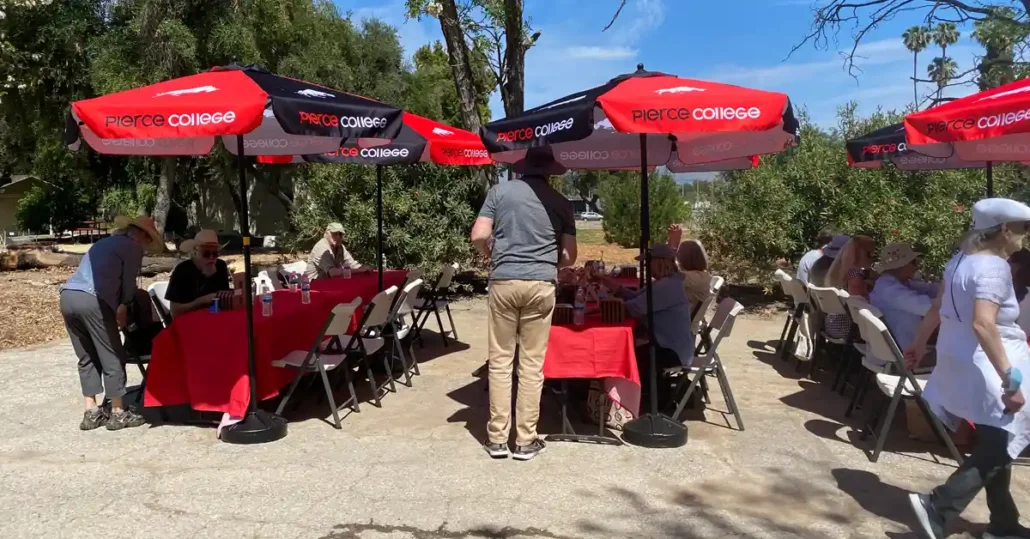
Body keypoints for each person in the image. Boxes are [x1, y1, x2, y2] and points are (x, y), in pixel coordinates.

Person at [906, 198, 1030, 539]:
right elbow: (984, 324)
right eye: (1023, 229)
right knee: (998, 443)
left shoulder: (958, 261)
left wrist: (918, 344)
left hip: (961, 359)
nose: (1024, 237)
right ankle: (939, 506)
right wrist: (1011, 379)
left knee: (997, 440)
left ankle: (1004, 524)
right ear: (1005, 230)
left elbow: (937, 307)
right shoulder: (995, 268)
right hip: (991, 364)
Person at [470, 147, 577, 461]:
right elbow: (570, 256)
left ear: (524, 167)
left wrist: (493, 256)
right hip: (541, 283)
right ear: (549, 171)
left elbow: (478, 234)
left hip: (503, 281)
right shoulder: (562, 203)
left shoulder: (500, 192)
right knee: (531, 365)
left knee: (501, 361)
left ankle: (497, 440)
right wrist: (547, 264)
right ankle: (526, 440)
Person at [59, 215, 161, 431]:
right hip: (92, 298)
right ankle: (118, 412)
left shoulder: (104, 243)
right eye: (148, 240)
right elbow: (128, 282)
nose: (146, 245)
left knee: (86, 355)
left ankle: (92, 411)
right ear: (142, 235)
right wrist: (123, 305)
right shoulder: (132, 247)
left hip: (68, 296)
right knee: (112, 353)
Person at [604, 243, 694, 372]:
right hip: (674, 349)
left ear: (659, 263)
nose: (646, 267)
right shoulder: (668, 282)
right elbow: (635, 297)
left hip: (671, 352)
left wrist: (604, 305)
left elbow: (631, 309)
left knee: (618, 359)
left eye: (648, 262)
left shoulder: (666, 287)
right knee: (622, 354)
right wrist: (608, 283)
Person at [868, 243, 938, 351]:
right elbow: (928, 307)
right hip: (905, 352)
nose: (916, 266)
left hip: (898, 346)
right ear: (902, 265)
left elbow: (928, 288)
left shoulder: (891, 283)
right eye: (913, 262)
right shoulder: (891, 290)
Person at [165, 229, 232, 317]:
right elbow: (175, 312)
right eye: (206, 254)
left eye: (215, 253)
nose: (211, 258)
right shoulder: (182, 270)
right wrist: (201, 301)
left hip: (215, 320)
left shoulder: (220, 266)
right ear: (195, 252)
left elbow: (225, 302)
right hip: (188, 323)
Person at [823, 235, 876, 340]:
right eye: (870, 254)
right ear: (861, 253)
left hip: (832, 324)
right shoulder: (855, 274)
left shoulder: (843, 270)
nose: (873, 258)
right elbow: (860, 303)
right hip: (847, 327)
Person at [306, 222, 370, 280]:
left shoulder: (340, 247)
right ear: (327, 234)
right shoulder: (322, 248)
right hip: (313, 286)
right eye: (334, 234)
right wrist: (361, 270)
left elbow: (352, 264)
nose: (338, 237)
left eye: (340, 234)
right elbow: (333, 272)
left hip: (329, 283)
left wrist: (365, 268)